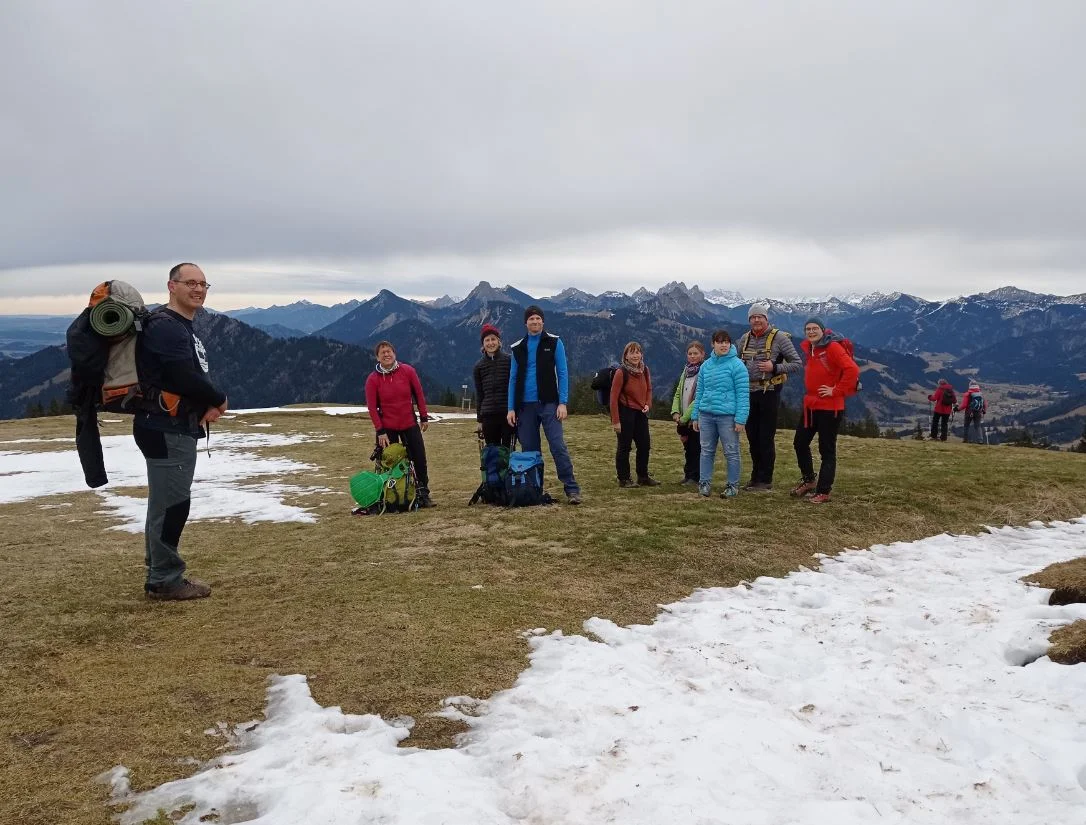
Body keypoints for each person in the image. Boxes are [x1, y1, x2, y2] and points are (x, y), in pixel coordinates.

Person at [134, 263, 227, 601]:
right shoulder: (168, 327)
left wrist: (204, 405)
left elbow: (182, 378)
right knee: (173, 505)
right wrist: (218, 399)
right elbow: (183, 375)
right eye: (190, 282)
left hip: (168, 425)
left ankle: (159, 570)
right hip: (165, 428)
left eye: (203, 284)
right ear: (171, 286)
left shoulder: (176, 327)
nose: (198, 289)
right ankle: (165, 579)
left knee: (165, 503)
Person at [507, 305, 582, 504]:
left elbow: (563, 373)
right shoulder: (517, 348)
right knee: (530, 451)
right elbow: (513, 379)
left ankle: (572, 489)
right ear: (526, 323)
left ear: (543, 322)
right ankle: (533, 490)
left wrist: (563, 403)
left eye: (538, 319)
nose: (535, 322)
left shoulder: (555, 342)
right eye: (531, 319)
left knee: (558, 446)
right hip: (525, 407)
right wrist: (511, 408)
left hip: (550, 403)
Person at [791, 318, 860, 504]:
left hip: (830, 407)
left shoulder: (833, 348)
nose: (811, 332)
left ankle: (823, 491)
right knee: (800, 443)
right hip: (811, 405)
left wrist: (836, 390)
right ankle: (809, 481)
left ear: (823, 330)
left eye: (815, 329)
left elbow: (852, 369)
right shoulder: (811, 348)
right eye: (808, 329)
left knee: (827, 450)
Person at [736, 302, 802, 491]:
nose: (756, 320)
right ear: (749, 320)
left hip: (769, 393)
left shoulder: (779, 338)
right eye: (753, 317)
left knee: (765, 437)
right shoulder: (744, 339)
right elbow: (733, 359)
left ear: (766, 319)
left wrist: (775, 368)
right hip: (748, 393)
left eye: (760, 317)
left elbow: (797, 363)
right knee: (752, 437)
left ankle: (765, 479)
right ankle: (755, 477)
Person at [364, 341, 435, 508]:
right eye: (382, 353)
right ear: (377, 357)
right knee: (389, 462)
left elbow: (419, 394)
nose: (386, 355)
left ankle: (423, 493)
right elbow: (372, 408)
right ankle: (391, 496)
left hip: (409, 423)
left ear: (394, 353)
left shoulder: (408, 371)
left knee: (419, 459)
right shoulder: (373, 379)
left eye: (389, 351)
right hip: (387, 428)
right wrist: (380, 431)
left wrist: (424, 417)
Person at [690, 330, 749, 499]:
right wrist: (695, 415)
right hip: (706, 415)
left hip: (727, 417)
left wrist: (740, 419)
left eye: (726, 342)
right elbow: (699, 392)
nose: (723, 345)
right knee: (706, 451)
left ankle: (732, 486)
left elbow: (743, 395)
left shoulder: (737, 366)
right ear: (713, 344)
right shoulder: (706, 365)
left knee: (731, 451)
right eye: (720, 341)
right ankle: (704, 483)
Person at [610, 341, 659, 488]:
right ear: (625, 356)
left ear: (641, 354)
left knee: (644, 445)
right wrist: (616, 421)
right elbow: (613, 398)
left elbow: (649, 389)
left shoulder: (645, 370)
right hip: (626, 412)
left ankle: (643, 477)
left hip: (641, 413)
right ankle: (624, 479)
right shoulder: (621, 372)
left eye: (637, 352)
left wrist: (647, 404)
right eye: (631, 352)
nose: (635, 355)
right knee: (624, 447)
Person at [473, 323, 513, 448]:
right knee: (492, 453)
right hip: (488, 416)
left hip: (507, 415)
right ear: (483, 344)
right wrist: (479, 420)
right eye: (487, 340)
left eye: (493, 339)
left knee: (508, 451)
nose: (490, 343)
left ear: (499, 341)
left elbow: (515, 388)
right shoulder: (478, 366)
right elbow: (480, 394)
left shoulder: (509, 361)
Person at [670, 340, 705, 485]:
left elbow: (699, 398)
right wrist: (675, 411)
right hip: (684, 417)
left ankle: (695, 477)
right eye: (690, 353)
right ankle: (688, 474)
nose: (692, 356)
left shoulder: (704, 371)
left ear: (703, 355)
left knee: (696, 448)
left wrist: (684, 418)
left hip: (696, 419)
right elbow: (679, 391)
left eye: (695, 353)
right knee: (687, 447)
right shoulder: (686, 370)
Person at [956, 380, 987, 444]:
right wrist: (984, 411)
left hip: (969, 412)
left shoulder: (968, 394)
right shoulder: (980, 394)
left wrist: (957, 409)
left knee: (966, 426)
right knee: (978, 426)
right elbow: (985, 404)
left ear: (970, 386)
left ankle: (965, 440)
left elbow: (964, 405)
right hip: (978, 412)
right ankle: (980, 440)